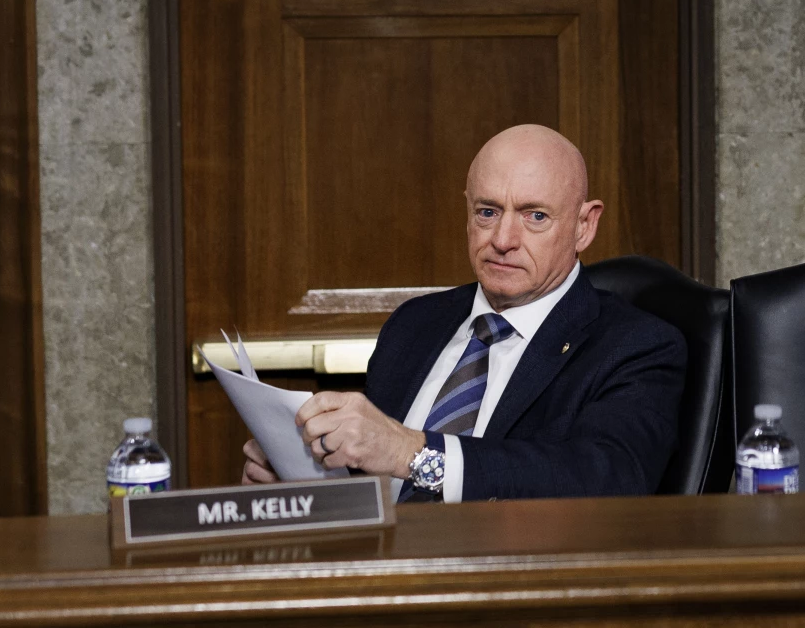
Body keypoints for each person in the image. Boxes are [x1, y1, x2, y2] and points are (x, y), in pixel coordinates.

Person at [242, 124, 687, 501]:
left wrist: (414, 454)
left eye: (534, 216)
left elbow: (605, 477)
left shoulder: (636, 345)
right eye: (488, 212)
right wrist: (304, 478)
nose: (503, 239)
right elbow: (371, 472)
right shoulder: (415, 324)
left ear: (584, 226)